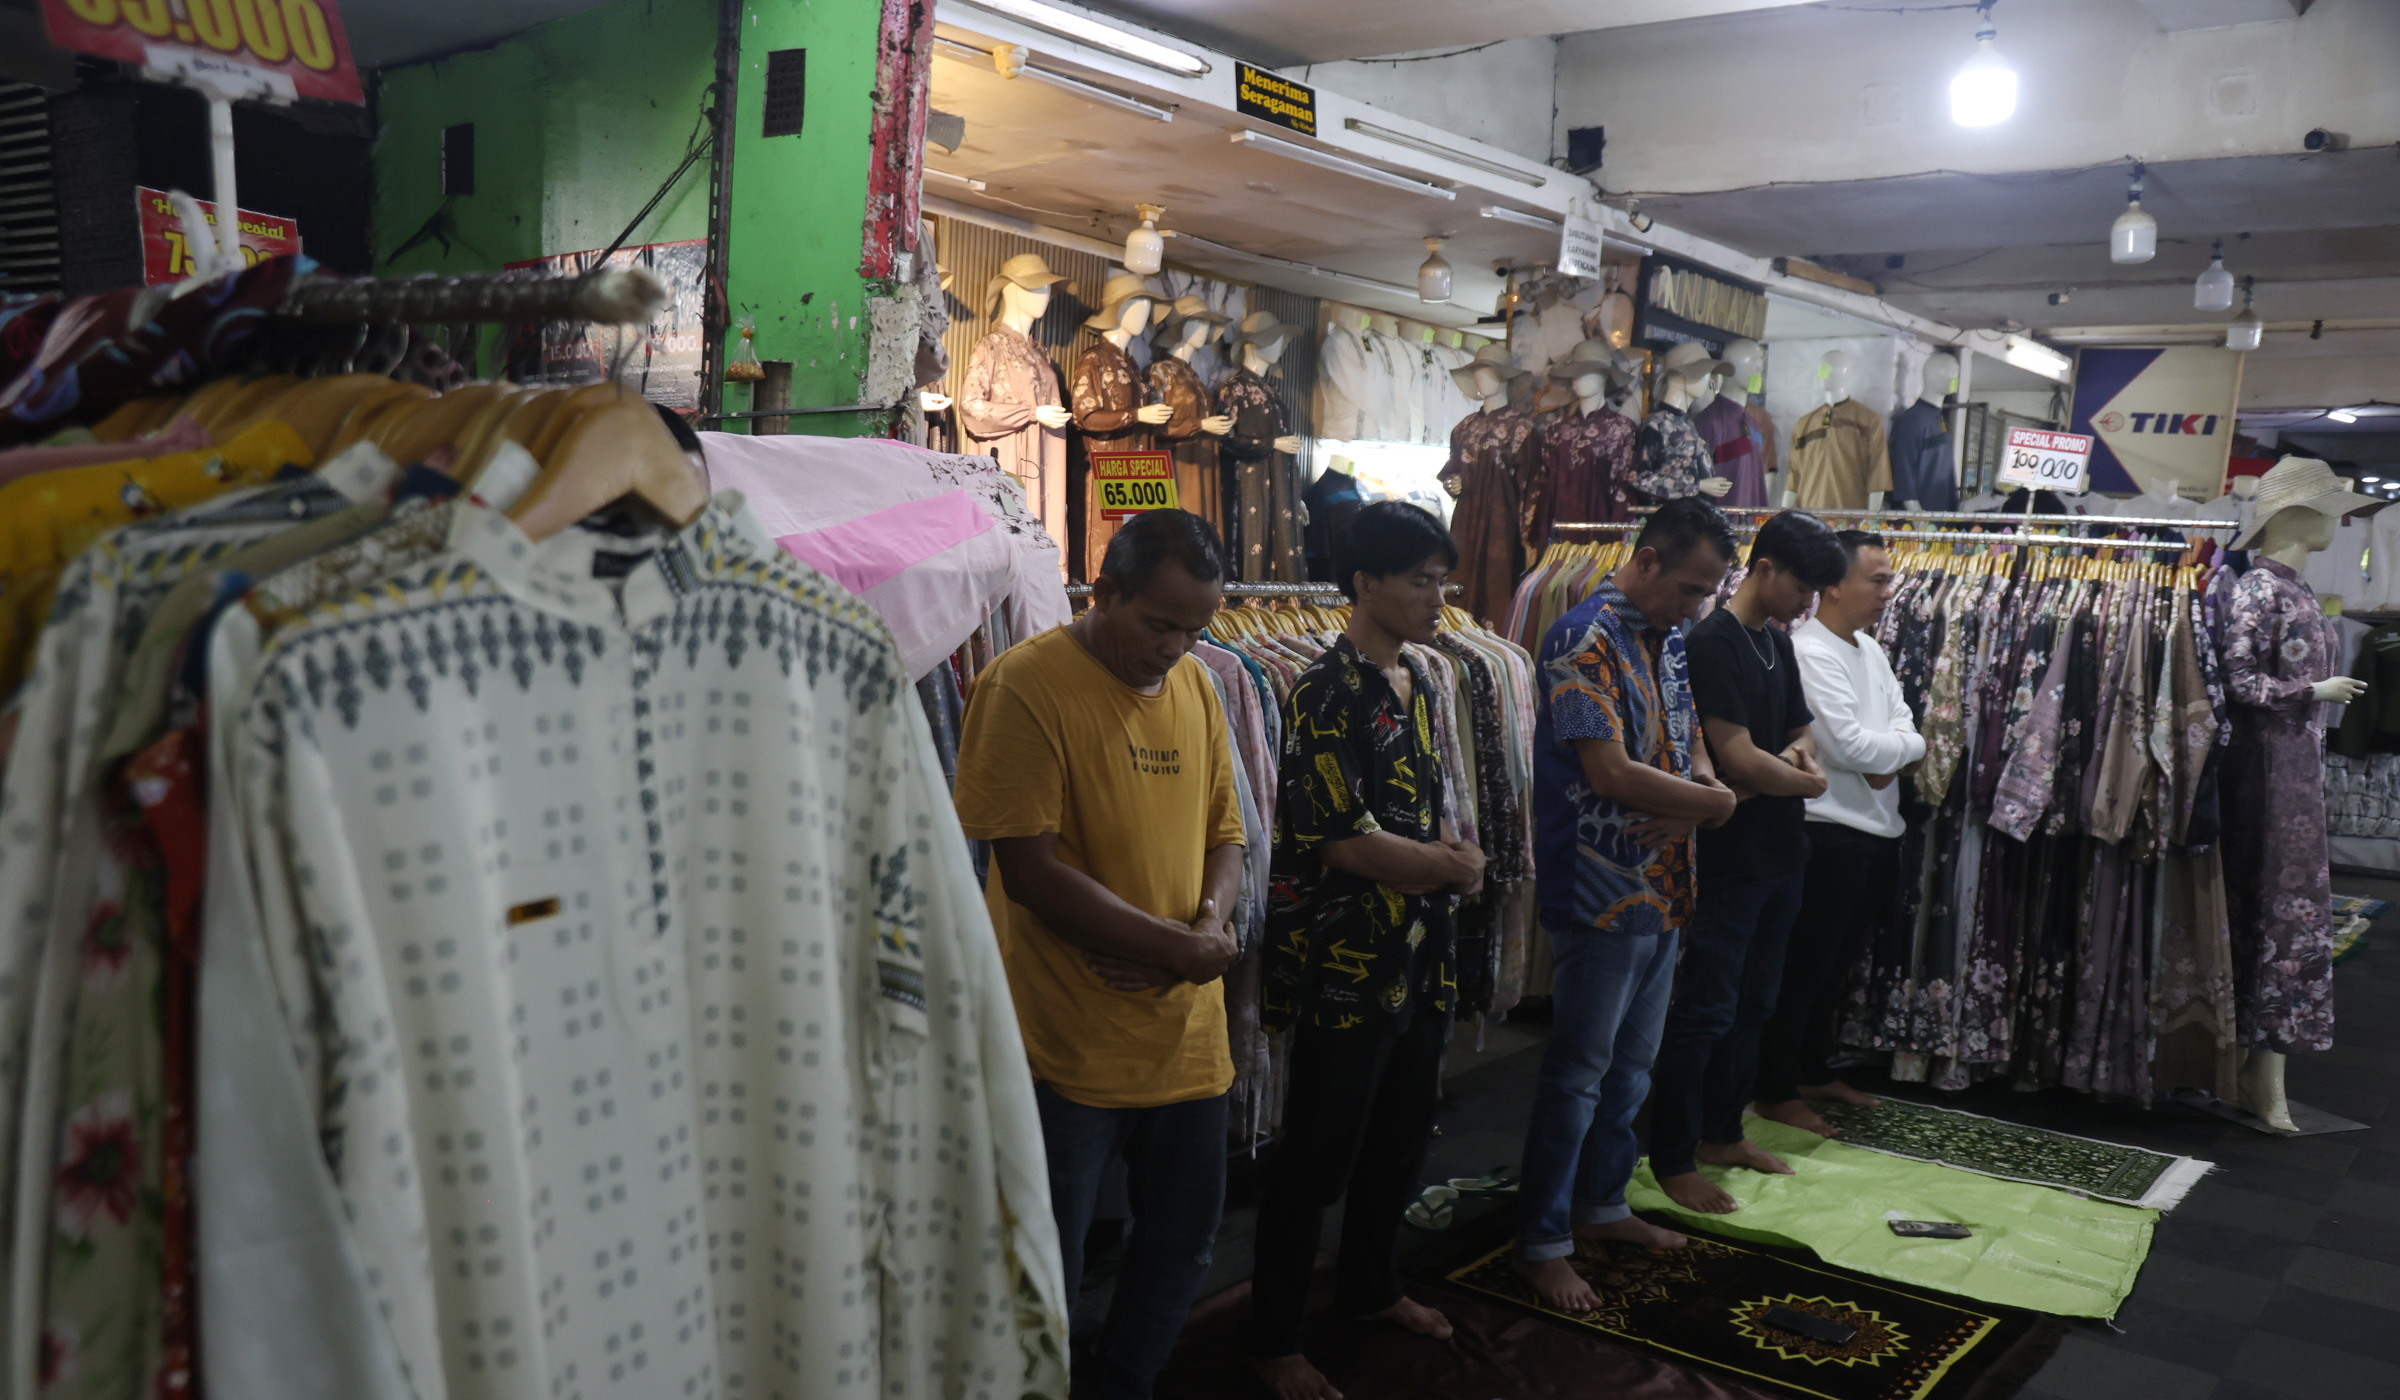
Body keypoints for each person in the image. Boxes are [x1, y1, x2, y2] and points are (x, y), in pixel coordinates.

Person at [952, 508, 1248, 1400]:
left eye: (1196, 630)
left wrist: (1205, 930)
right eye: (1161, 624)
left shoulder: (1197, 686)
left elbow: (1226, 835)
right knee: (1044, 1263)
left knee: (1181, 1248)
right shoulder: (1026, 685)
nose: (1177, 647)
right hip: (1065, 1047)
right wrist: (1179, 947)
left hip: (1188, 1044)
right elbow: (1030, 865)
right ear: (1103, 591)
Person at [1247, 502, 1483, 1400]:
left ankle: (1371, 1288)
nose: (1436, 597)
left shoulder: (1419, 681)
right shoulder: (1323, 691)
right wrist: (1452, 868)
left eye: (1441, 580)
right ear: (1366, 583)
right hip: (1347, 960)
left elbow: (1415, 816)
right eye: (1420, 580)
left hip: (1419, 950)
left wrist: (1447, 870)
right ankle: (1272, 1336)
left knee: (1399, 1140)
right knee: (1315, 1155)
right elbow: (1341, 838)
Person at [1514, 496, 1741, 1313]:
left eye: (1709, 592)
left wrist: (1705, 790)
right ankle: (1541, 1240)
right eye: (1688, 588)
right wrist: (1712, 805)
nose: (1698, 606)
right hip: (1601, 889)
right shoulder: (1581, 636)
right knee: (1577, 1074)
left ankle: (1602, 1206)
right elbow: (1605, 770)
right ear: (1644, 560)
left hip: (1665, 886)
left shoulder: (1667, 637)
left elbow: (1690, 744)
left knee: (1631, 1070)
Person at [1646, 510, 1846, 1214]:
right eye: (1803, 585)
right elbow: (1736, 758)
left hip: (1782, 853)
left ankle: (1723, 1132)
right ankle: (1672, 1152)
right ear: (1765, 568)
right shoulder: (1712, 642)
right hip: (1729, 856)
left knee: (1756, 1004)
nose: (1809, 601)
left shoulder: (1776, 643)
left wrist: (1793, 768)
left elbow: (1798, 735)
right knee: (1706, 1007)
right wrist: (1803, 779)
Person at [1755, 529, 1921, 1134]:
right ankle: (1774, 1088)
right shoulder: (1811, 650)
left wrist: (1898, 750)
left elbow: (1905, 724)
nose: (1888, 591)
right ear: (1834, 585)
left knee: (1835, 968)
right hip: (1830, 833)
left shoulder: (1869, 651)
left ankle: (1810, 1068)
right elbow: (1846, 745)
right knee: (1804, 968)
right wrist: (1897, 751)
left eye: (1887, 578)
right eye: (1876, 579)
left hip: (1875, 830)